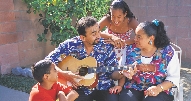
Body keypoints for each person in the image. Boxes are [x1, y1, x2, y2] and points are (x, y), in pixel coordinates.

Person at [45, 16, 119, 101]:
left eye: (99, 31)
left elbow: (114, 72)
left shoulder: (106, 46)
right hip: (80, 88)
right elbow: (47, 61)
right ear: (82, 37)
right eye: (94, 34)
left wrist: (121, 72)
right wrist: (65, 74)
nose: (99, 36)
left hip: (104, 87)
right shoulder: (71, 45)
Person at [111, 19, 180, 101]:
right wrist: (123, 72)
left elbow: (173, 78)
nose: (135, 39)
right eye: (135, 35)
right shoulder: (130, 50)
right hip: (134, 87)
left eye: (139, 37)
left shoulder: (168, 52)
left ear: (151, 38)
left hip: (160, 89)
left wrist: (158, 88)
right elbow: (117, 72)